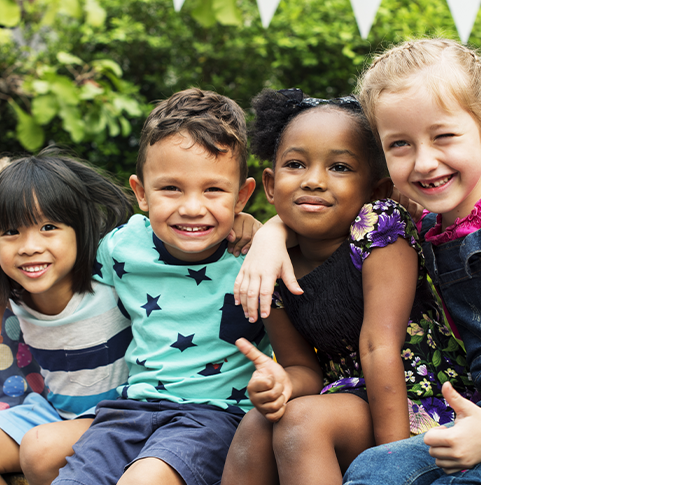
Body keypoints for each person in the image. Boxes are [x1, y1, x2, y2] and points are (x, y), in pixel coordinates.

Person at [232, 38, 482, 484]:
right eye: (400, 143)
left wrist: (392, 460)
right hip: (351, 396)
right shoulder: (268, 265)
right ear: (270, 183)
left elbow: (378, 346)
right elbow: (301, 367)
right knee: (259, 423)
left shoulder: (382, 225)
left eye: (340, 167)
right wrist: (282, 385)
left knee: (313, 430)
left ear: (376, 187)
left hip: (427, 400)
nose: (313, 181)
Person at [51, 88, 271, 485]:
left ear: (242, 196)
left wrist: (268, 230)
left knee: (145, 480)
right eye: (171, 188)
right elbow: (72, 295)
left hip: (215, 416)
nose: (191, 207)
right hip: (130, 410)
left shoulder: (255, 255)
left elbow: (315, 238)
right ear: (140, 193)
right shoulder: (121, 247)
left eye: (213, 190)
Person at [0, 149, 134, 485]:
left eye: (48, 227)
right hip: (54, 413)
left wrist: (248, 225)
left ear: (79, 229)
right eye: (10, 232)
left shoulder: (113, 280)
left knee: (40, 449)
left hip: (125, 415)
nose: (29, 246)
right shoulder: (14, 295)